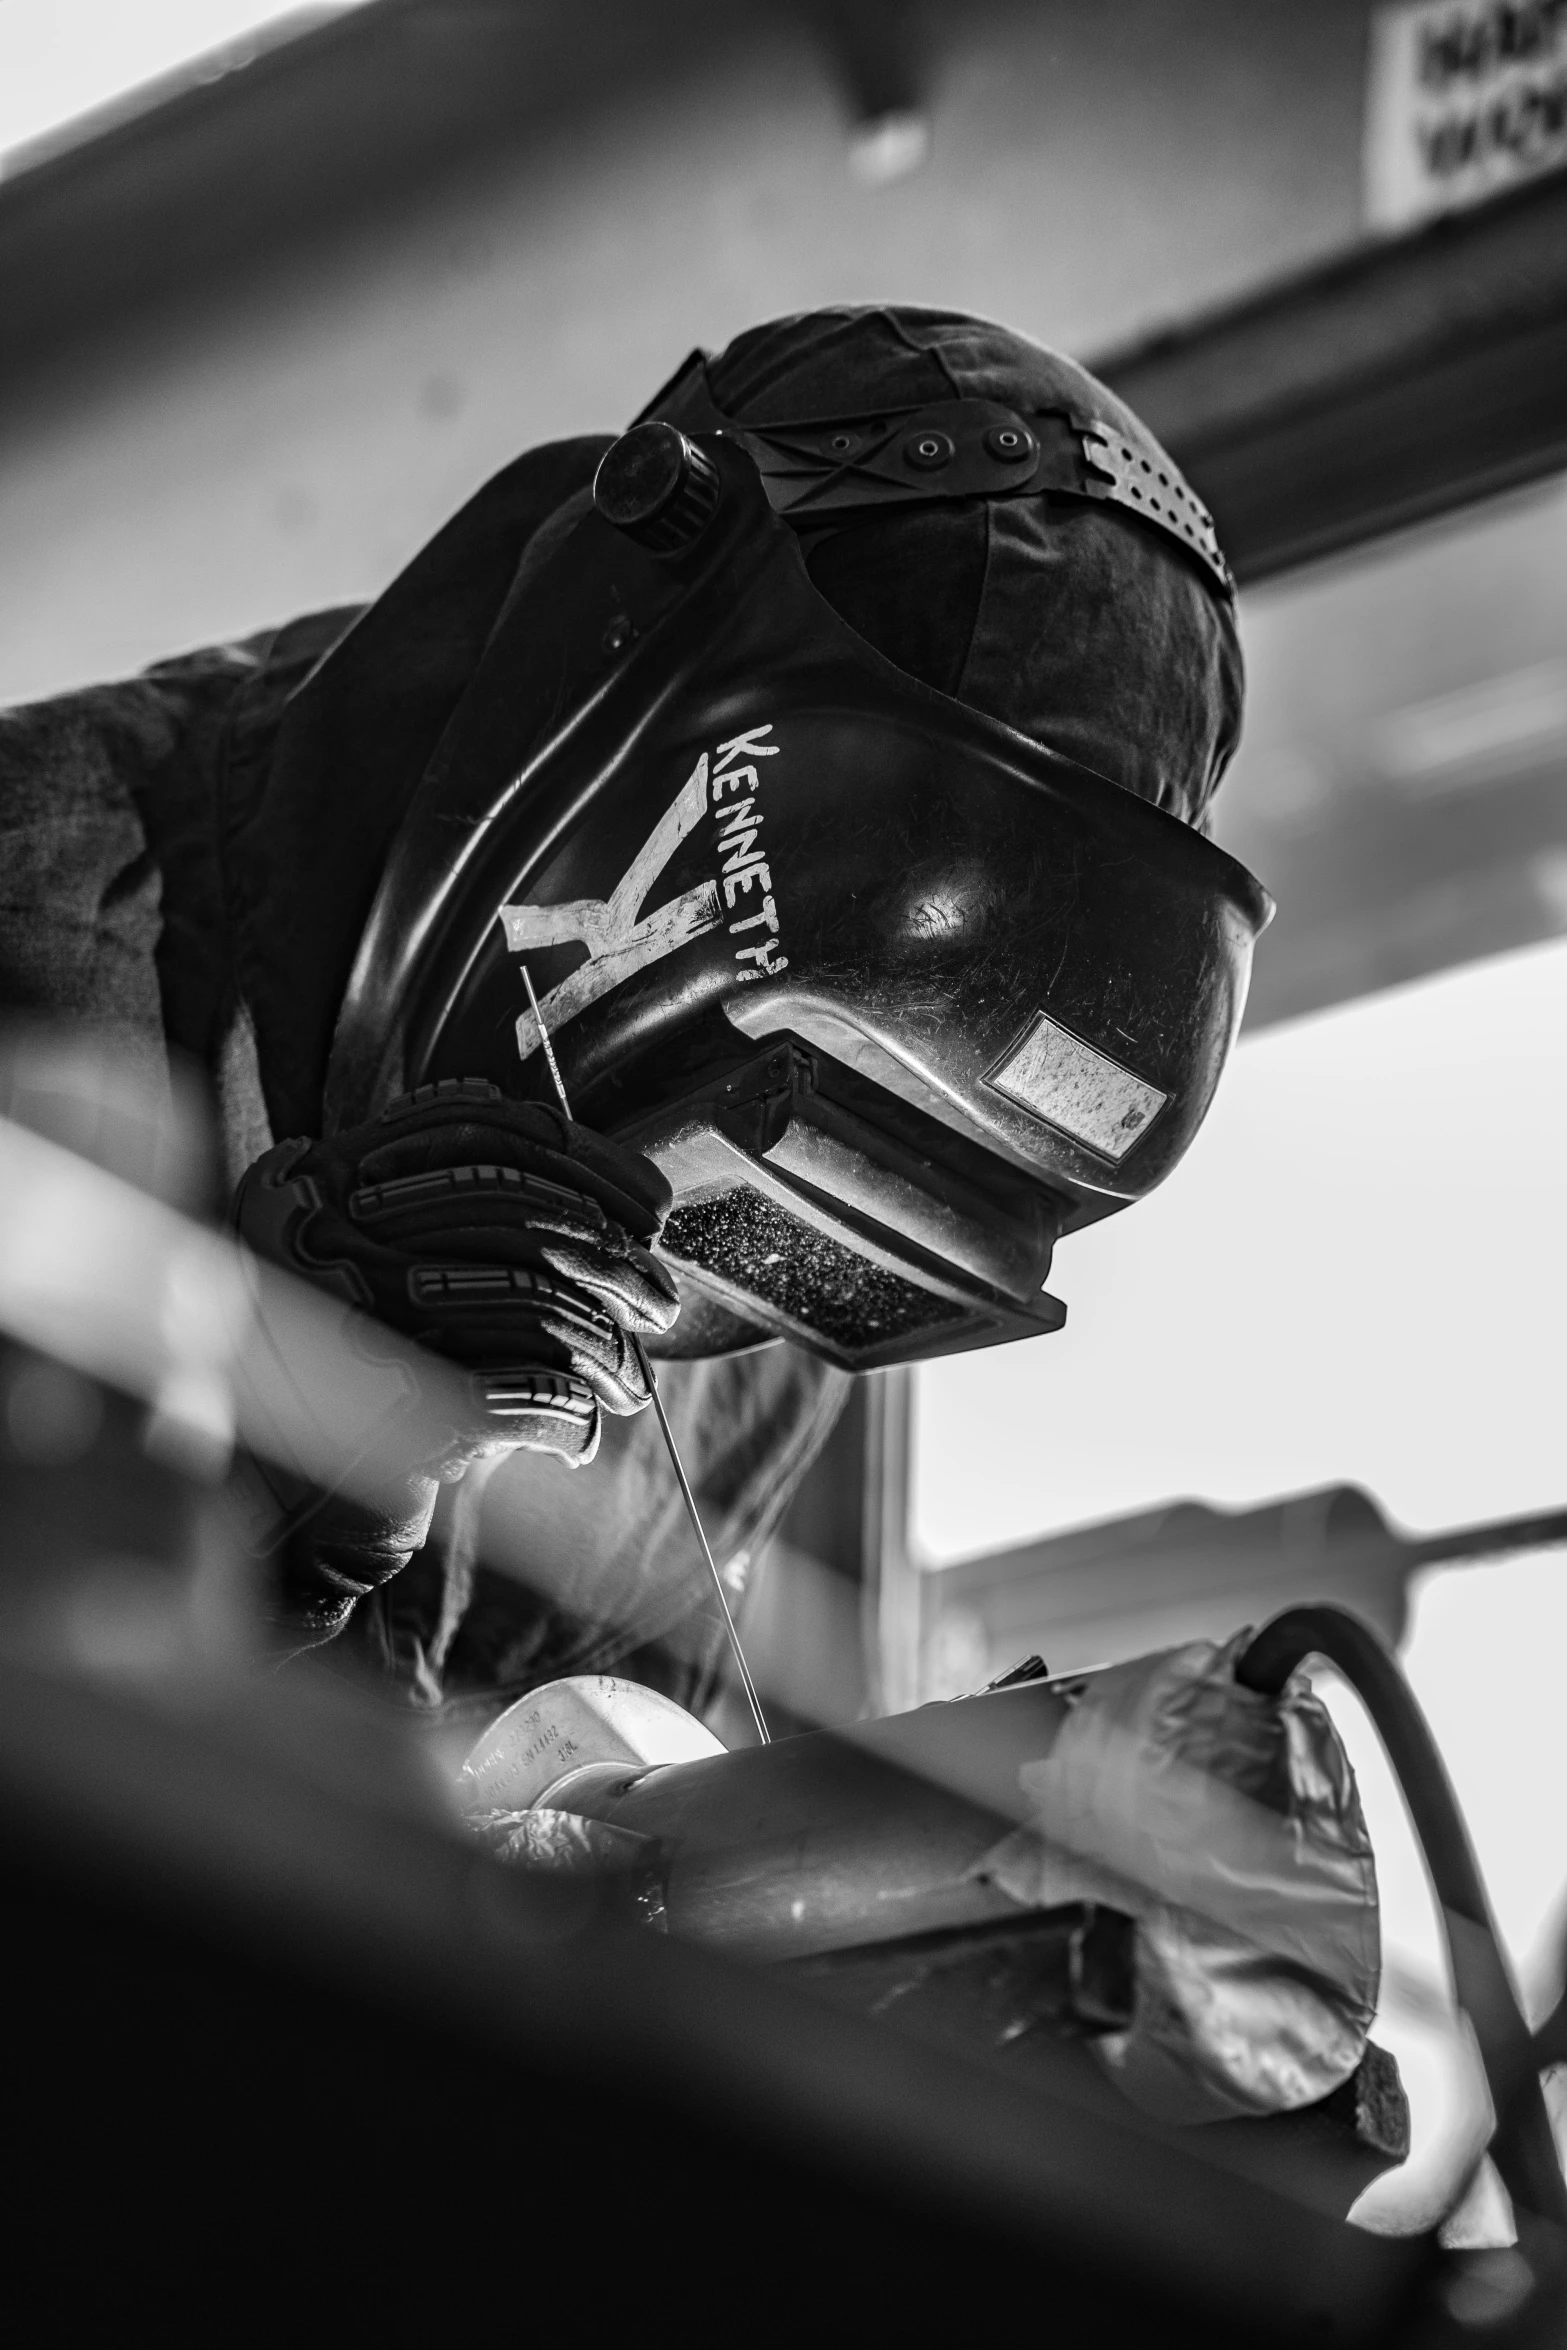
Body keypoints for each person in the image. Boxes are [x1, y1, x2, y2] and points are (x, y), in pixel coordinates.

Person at [0, 305, 1242, 1726]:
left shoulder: (765, 1309)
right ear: (621, 671)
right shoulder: (36, 922)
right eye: (817, 962)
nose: (725, 1169)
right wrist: (269, 1498)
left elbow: (591, 1824)